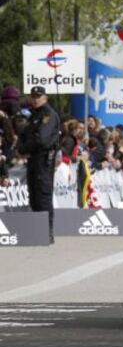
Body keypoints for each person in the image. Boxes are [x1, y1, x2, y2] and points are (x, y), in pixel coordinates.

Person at [18, 86, 60, 244]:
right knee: (33, 196)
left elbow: (41, 139)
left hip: (43, 160)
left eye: (39, 96)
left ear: (45, 97)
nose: (36, 98)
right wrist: (22, 148)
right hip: (33, 159)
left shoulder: (48, 115)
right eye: (33, 96)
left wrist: (24, 147)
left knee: (43, 196)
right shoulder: (33, 115)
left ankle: (47, 232)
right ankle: (37, 231)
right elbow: (23, 135)